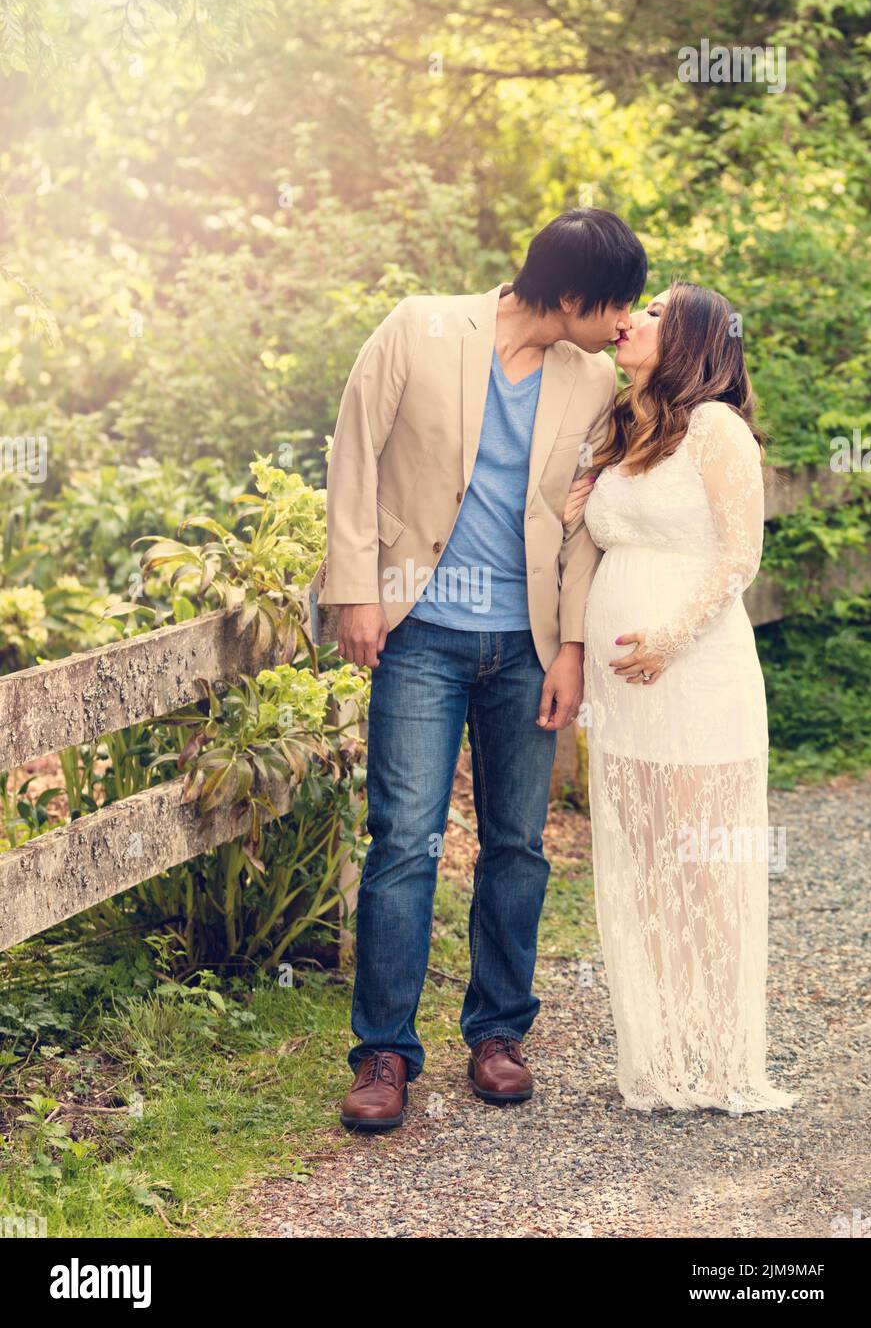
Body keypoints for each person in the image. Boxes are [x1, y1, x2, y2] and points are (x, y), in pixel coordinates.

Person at [317, 208, 647, 1130]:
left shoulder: (592, 382)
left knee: (517, 847)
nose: (624, 321)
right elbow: (353, 452)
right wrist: (356, 590)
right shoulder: (418, 328)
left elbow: (586, 524)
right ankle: (384, 1053)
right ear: (571, 295)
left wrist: (572, 648)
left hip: (526, 646)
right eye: (614, 302)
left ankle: (499, 1035)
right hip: (420, 632)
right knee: (403, 842)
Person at [563, 282, 797, 1113]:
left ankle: (723, 1060)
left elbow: (739, 558)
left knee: (702, 867)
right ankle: (661, 1058)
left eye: (657, 312)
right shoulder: (629, 426)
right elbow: (599, 535)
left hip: (696, 675)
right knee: (646, 861)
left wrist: (668, 639)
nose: (633, 318)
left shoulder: (719, 429)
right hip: (623, 694)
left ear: (695, 338)